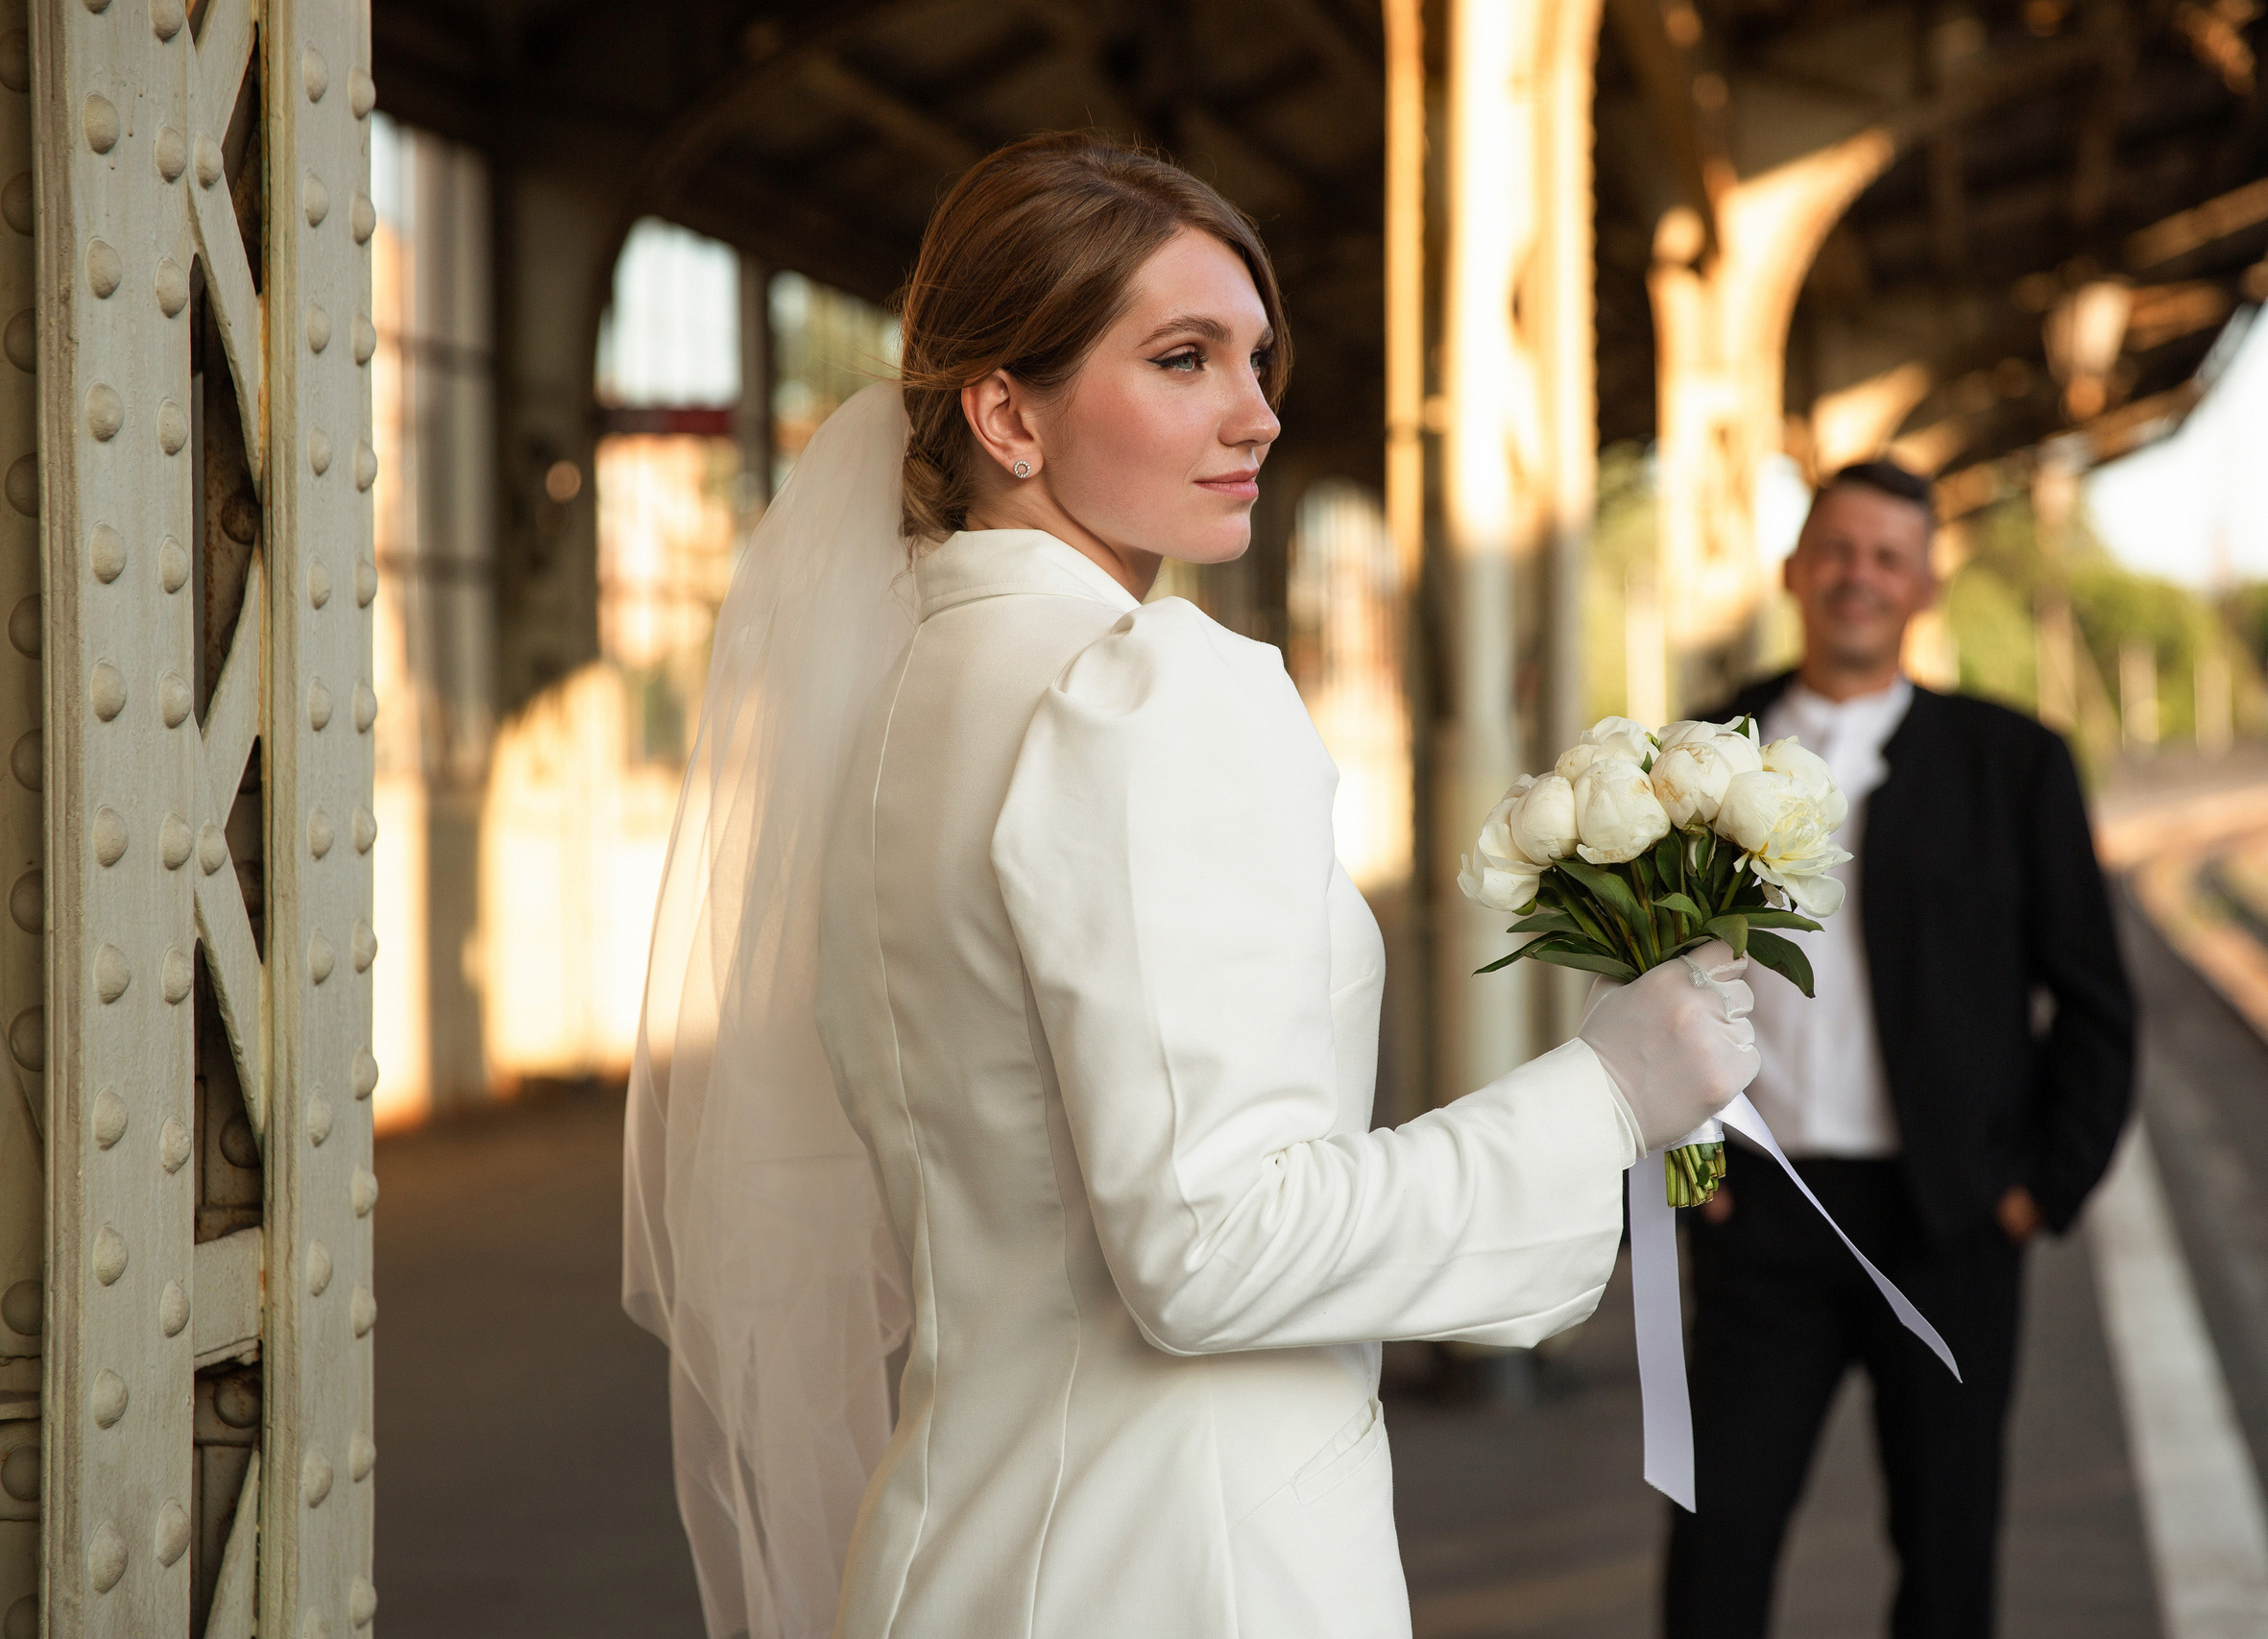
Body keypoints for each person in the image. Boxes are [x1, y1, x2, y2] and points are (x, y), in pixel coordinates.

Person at [621, 133, 1762, 1639]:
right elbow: (1213, 1249)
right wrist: (1609, 1096)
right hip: (1186, 1560)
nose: (1258, 411)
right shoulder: (1151, 696)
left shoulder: (896, 705)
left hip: (949, 1539)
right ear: (1006, 414)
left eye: (1256, 357)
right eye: (1183, 358)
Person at [1663, 459, 2137, 1639]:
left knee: (1945, 1557)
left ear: (1925, 582)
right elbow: (1649, 980)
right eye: (1835, 551)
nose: (1857, 577)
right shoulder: (1698, 756)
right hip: (1758, 1221)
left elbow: (2096, 1004)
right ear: (1792, 571)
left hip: (1951, 1223)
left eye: (1886, 556)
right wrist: (1689, 1174)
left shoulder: (2012, 762)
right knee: (1714, 1554)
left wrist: (2034, 1193)